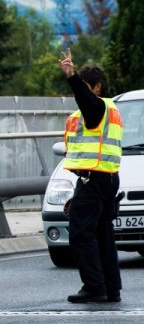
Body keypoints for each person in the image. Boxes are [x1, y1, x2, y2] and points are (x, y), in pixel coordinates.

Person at [59, 48, 123, 303]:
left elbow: (85, 101)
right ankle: (110, 288)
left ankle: (94, 286)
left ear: (96, 88)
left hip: (93, 179)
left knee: (81, 234)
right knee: (103, 235)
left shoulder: (95, 108)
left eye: (85, 87)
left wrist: (72, 76)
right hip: (105, 178)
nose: (80, 94)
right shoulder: (107, 109)